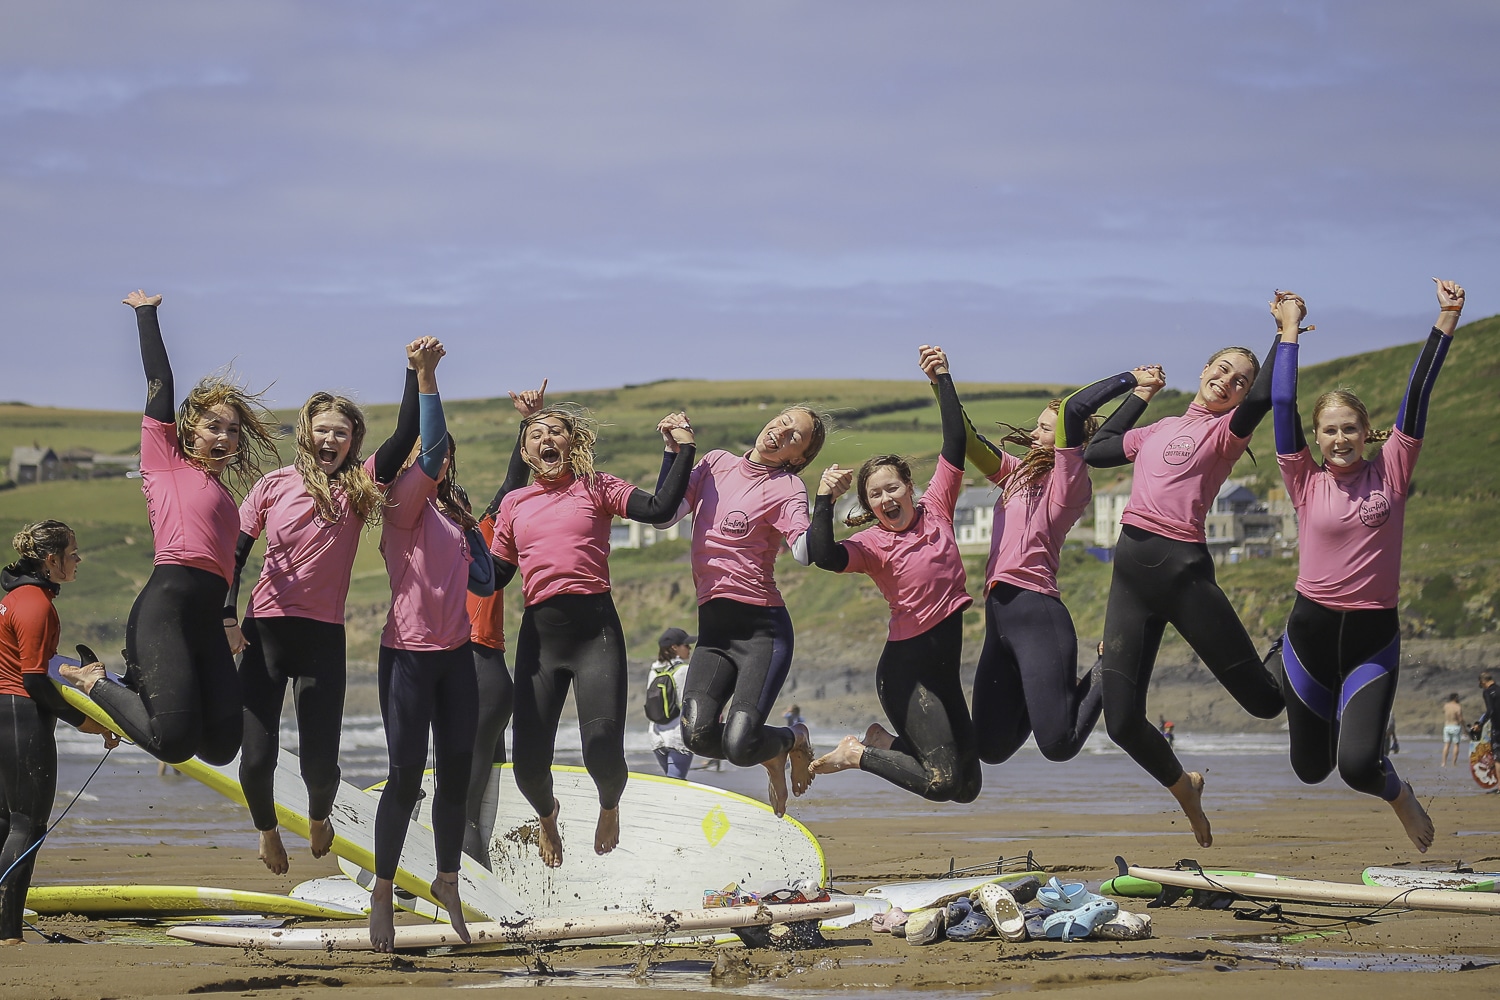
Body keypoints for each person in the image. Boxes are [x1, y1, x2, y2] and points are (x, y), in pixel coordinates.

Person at [1271, 281, 1465, 853]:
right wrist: (1287, 333)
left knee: (1356, 766)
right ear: (1317, 437)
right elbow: (1283, 405)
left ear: (1365, 431)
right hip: (1310, 631)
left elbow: (1419, 391)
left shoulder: (1393, 471)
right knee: (1310, 769)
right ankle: (1285, 667)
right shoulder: (1303, 478)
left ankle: (1400, 796)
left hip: (1371, 636)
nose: (1339, 438)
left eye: (1349, 428)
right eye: (1328, 430)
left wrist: (1447, 319)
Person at [1084, 316, 1286, 848]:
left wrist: (1284, 333)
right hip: (1131, 575)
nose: (1227, 380)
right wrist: (1140, 394)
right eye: (1222, 369)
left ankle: (1295, 641)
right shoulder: (1158, 428)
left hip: (1181, 570)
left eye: (1239, 379)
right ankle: (1185, 787)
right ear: (1204, 370)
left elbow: (1264, 401)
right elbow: (1097, 448)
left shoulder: (1225, 434)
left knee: (1266, 703)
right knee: (1122, 722)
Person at [229, 341, 429, 875]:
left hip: (322, 637)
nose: (331, 438)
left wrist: (413, 371)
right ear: (306, 431)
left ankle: (319, 814)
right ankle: (267, 831)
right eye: (323, 429)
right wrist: (228, 616)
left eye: (341, 432)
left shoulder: (360, 486)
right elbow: (235, 551)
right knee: (256, 756)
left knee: (322, 765)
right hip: (263, 631)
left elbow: (407, 434)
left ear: (352, 441)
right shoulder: (273, 485)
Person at [58, 292, 279, 765]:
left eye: (232, 431)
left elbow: (228, 568)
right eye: (213, 426)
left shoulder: (225, 496)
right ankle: (95, 679)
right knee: (175, 743)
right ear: (189, 430)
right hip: (167, 608)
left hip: (205, 618)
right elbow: (161, 383)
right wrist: (146, 314)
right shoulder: (164, 461)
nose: (223, 437)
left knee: (221, 746)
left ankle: (145, 691)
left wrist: (227, 619)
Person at [490, 386, 696, 868]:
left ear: (573, 442)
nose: (546, 439)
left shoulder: (596, 486)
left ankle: (609, 805)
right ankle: (547, 815)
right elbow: (495, 575)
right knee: (528, 768)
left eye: (555, 432)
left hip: (594, 632)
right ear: (524, 451)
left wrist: (681, 448)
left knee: (601, 745)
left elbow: (661, 511)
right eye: (537, 434)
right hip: (540, 639)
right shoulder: (514, 504)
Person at [948, 359, 1165, 766]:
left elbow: (1074, 412)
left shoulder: (1070, 479)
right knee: (990, 748)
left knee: (1059, 743)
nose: (1034, 433)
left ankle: (1112, 662)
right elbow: (967, 439)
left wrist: (1133, 384)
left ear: (1066, 440)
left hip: (1036, 612)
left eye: (1045, 429)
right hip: (999, 617)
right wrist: (940, 378)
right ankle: (1044, 694)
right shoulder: (1016, 475)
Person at [804, 346, 980, 802]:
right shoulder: (872, 546)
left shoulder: (937, 507)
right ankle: (857, 754)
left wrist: (941, 378)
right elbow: (824, 555)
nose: (886, 498)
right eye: (875, 495)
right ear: (868, 507)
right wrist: (823, 499)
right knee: (941, 783)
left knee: (967, 787)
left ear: (909, 487)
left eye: (892, 488)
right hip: (908, 674)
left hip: (944, 673)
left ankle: (883, 744)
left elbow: (955, 441)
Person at [369, 339, 495, 951]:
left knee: (454, 776)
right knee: (404, 777)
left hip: (456, 657)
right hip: (409, 657)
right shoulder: (398, 505)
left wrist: (472, 529)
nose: (435, 460)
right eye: (422, 454)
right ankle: (383, 889)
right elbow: (435, 442)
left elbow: (486, 579)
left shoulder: (450, 512)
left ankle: (447, 881)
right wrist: (425, 377)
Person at [654, 404, 827, 816]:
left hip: (761, 632)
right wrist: (673, 453)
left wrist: (824, 501)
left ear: (797, 458)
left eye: (794, 437)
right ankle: (770, 751)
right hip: (714, 636)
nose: (781, 433)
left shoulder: (786, 487)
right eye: (783, 422)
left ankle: (792, 739)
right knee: (696, 736)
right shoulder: (715, 463)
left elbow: (804, 552)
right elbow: (665, 516)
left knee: (738, 744)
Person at [0, 522, 118, 945]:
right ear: (51, 560)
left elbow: (35, 662)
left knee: (5, 822)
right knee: (27, 825)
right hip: (22, 716)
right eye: (72, 553)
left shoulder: (14, 598)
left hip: (3, 713)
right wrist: (89, 724)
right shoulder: (37, 605)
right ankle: (8, 935)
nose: (77, 560)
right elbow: (34, 682)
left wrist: (71, 670)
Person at [647, 628, 695, 779]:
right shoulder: (684, 670)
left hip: (656, 737)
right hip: (677, 737)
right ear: (674, 647)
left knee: (672, 781)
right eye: (686, 645)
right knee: (676, 784)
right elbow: (689, 704)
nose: (689, 648)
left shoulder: (654, 671)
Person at [1442, 694, 1466, 767]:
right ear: (1455, 698)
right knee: (1456, 745)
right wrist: (1464, 728)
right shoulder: (1458, 706)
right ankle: (1453, 763)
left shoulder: (1446, 706)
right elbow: (1460, 719)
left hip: (1447, 726)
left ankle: (1443, 763)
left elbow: (1445, 713)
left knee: (1446, 745)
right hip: (1455, 726)